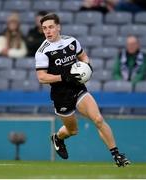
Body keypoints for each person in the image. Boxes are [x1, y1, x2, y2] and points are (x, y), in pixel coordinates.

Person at [35, 13, 130, 167]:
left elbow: (84, 57)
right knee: (72, 131)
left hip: (78, 88)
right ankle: (58, 138)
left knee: (98, 119)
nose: (48, 31)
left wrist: (87, 67)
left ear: (58, 27)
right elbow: (42, 77)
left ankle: (117, 155)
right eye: (44, 28)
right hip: (61, 95)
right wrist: (64, 77)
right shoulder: (42, 52)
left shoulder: (71, 41)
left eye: (51, 27)